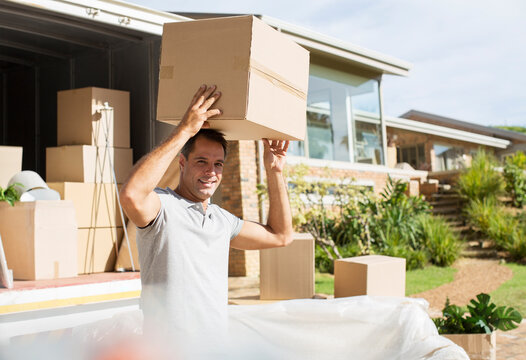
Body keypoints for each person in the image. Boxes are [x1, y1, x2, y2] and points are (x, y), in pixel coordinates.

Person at [119, 84, 293, 341]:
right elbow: (132, 194)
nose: (211, 172)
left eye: (218, 164)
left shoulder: (222, 221)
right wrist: (185, 129)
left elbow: (281, 235)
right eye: (201, 161)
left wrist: (275, 172)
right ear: (182, 163)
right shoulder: (163, 208)